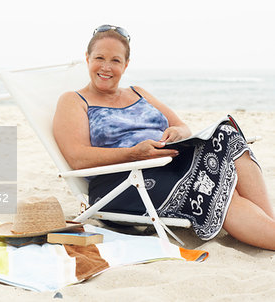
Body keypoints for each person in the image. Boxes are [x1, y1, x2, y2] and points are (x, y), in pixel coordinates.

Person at [53, 24, 275, 250]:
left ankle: (269, 224)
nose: (106, 67)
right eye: (100, 57)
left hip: (168, 165)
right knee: (208, 188)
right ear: (87, 58)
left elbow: (181, 127)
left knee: (228, 134)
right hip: (122, 183)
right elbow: (76, 158)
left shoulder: (138, 92)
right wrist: (133, 154)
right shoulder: (74, 100)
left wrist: (177, 133)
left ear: (126, 64)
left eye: (116, 60)